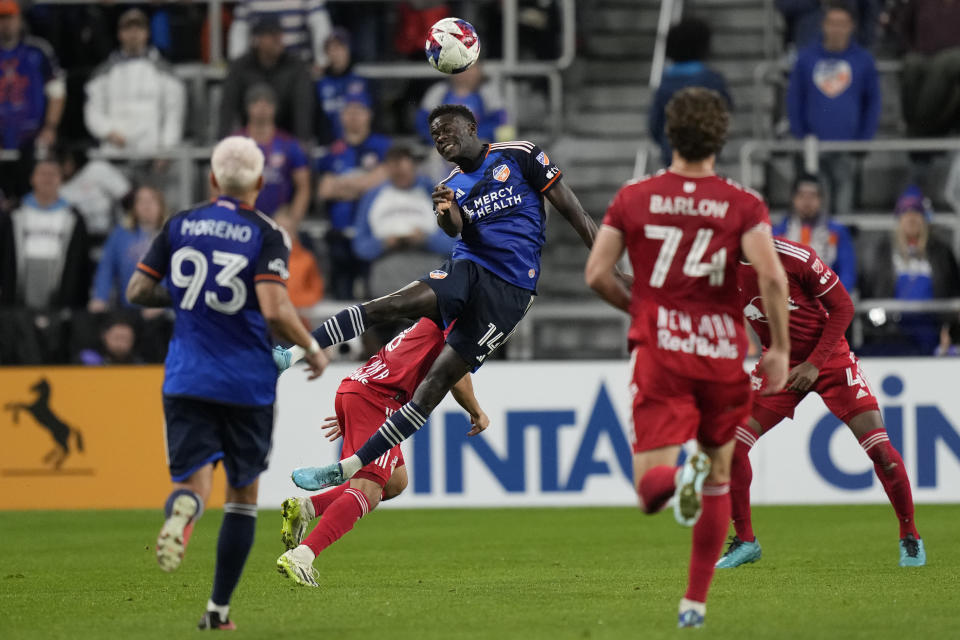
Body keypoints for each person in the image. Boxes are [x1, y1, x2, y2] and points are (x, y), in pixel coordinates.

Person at [277, 104, 602, 499]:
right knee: (392, 305)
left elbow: (572, 208)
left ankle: (345, 468)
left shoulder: (519, 154)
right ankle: (293, 353)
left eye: (447, 130)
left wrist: (605, 261)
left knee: (433, 387)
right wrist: (446, 212)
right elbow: (454, 230)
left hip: (511, 291)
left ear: (471, 127)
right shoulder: (450, 185)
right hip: (469, 267)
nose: (441, 139)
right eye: (434, 136)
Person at [583, 87, 790, 628]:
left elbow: (597, 274)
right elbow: (770, 275)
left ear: (668, 134)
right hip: (722, 354)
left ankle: (681, 481)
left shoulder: (634, 196)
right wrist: (781, 348)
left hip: (663, 350)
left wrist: (644, 309)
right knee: (721, 474)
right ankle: (694, 603)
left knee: (651, 491)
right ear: (721, 138)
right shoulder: (743, 203)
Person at [124, 136, 329, 630]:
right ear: (259, 184)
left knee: (193, 482)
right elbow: (275, 309)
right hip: (246, 383)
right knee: (240, 496)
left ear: (212, 179)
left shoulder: (180, 225)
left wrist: (190, 296)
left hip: (186, 377)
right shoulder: (266, 232)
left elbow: (137, 290)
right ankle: (217, 611)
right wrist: (313, 347)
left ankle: (186, 510)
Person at [715, 236, 925, 570]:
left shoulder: (795, 257)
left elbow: (844, 307)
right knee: (731, 446)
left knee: (881, 452)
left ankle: (909, 535)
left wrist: (815, 363)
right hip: (780, 366)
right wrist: (616, 273)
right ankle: (746, 541)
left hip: (830, 361)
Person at [276, 317, 489, 586]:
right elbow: (456, 375)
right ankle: (303, 556)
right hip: (378, 399)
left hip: (359, 389)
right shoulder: (459, 325)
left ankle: (306, 507)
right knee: (368, 491)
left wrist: (356, 413)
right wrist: (477, 412)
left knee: (395, 482)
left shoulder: (435, 317)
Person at [787, 1, 880, 215]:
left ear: (851, 27)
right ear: (823, 25)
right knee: (817, 208)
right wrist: (801, 135)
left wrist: (864, 139)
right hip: (813, 146)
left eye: (842, 23)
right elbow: (794, 99)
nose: (837, 29)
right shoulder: (806, 58)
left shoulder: (863, 60)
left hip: (848, 146)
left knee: (845, 207)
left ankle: (843, 246)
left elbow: (872, 101)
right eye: (832, 23)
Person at [859, 185, 960, 355]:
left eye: (916, 213)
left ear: (925, 219)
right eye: (906, 213)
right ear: (899, 218)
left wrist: (950, 330)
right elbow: (869, 293)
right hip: (892, 331)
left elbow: (954, 291)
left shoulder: (942, 253)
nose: (911, 218)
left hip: (932, 330)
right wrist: (879, 325)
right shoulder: (882, 253)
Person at [353, 145, 456, 297]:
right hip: (387, 267)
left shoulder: (434, 193)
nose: (400, 178)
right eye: (395, 174)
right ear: (387, 170)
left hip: (428, 265)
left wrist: (425, 240)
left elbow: (453, 242)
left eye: (404, 173)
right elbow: (360, 246)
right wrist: (383, 244)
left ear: (414, 167)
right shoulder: (372, 197)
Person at [316, 91, 391, 299]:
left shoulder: (382, 146)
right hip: (339, 237)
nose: (354, 116)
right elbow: (325, 190)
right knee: (340, 298)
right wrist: (363, 184)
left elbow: (382, 181)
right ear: (341, 116)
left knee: (374, 299)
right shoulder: (333, 151)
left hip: (373, 235)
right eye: (349, 111)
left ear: (369, 114)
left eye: (359, 111)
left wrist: (344, 185)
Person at [83, 9, 186, 160]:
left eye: (139, 28)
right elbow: (93, 110)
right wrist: (108, 132)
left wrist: (167, 148)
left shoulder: (164, 71)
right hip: (114, 152)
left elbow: (174, 112)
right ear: (120, 34)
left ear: (147, 33)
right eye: (127, 29)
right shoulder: (104, 73)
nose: (133, 34)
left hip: (152, 153)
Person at [0, 158, 90, 310]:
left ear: (61, 179)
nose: (47, 179)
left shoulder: (74, 218)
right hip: (18, 293)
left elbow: (80, 263)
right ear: (32, 179)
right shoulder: (14, 215)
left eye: (53, 174)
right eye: (42, 174)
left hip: (59, 292)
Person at [0, 0, 65, 198]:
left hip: (32, 136)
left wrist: (50, 128)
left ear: (19, 18)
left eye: (9, 17)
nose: (5, 23)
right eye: (1, 18)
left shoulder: (38, 50)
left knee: (30, 190)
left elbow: (57, 92)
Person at [648, 17, 732, 168]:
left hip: (672, 154)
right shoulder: (712, 80)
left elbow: (655, 123)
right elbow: (727, 110)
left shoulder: (665, 81)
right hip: (706, 154)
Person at [219, 16, 314, 143]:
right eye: (271, 35)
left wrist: (302, 143)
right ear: (257, 39)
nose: (278, 40)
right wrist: (224, 142)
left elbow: (303, 108)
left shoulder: (296, 66)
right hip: (249, 137)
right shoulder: (240, 67)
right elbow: (227, 108)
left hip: (288, 140)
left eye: (279, 35)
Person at [772, 173, 857, 292]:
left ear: (821, 199)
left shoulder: (838, 232)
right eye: (801, 196)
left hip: (826, 301)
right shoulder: (777, 233)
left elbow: (847, 274)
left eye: (812, 196)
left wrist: (833, 299)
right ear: (793, 199)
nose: (807, 202)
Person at [89, 185, 167, 311]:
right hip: (127, 310)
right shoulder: (120, 235)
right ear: (134, 208)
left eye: (151, 200)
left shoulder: (174, 236)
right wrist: (100, 297)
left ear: (161, 205)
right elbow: (106, 268)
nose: (146, 206)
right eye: (141, 201)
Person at [242, 84, 310, 221]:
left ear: (275, 108)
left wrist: (293, 219)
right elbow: (217, 184)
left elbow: (304, 187)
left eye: (267, 102)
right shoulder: (234, 144)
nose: (262, 107)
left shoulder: (289, 144)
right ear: (247, 107)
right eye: (256, 102)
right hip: (242, 218)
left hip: (279, 220)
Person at [895, 0, 960, 137]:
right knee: (912, 64)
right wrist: (909, 50)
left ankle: (919, 129)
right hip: (925, 58)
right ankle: (922, 128)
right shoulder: (919, 2)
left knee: (948, 61)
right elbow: (903, 28)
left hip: (955, 66)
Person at [416, 64, 509, 145]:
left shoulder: (488, 92)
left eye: (472, 67)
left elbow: (502, 123)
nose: (467, 73)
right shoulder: (438, 91)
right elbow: (422, 124)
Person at [228, 0, 332, 67]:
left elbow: (320, 26)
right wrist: (237, 64)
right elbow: (239, 30)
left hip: (298, 64)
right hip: (260, 66)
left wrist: (322, 62)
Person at [314, 28, 371, 144]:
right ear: (326, 53)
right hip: (330, 144)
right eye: (331, 49)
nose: (336, 53)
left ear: (348, 49)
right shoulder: (319, 84)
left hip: (360, 143)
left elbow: (371, 113)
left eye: (340, 47)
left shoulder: (362, 80)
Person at [273, 206, 325, 311]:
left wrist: (291, 302)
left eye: (288, 230)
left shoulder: (307, 259)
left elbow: (316, 291)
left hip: (299, 317)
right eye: (280, 230)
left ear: (295, 230)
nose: (284, 235)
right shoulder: (262, 258)